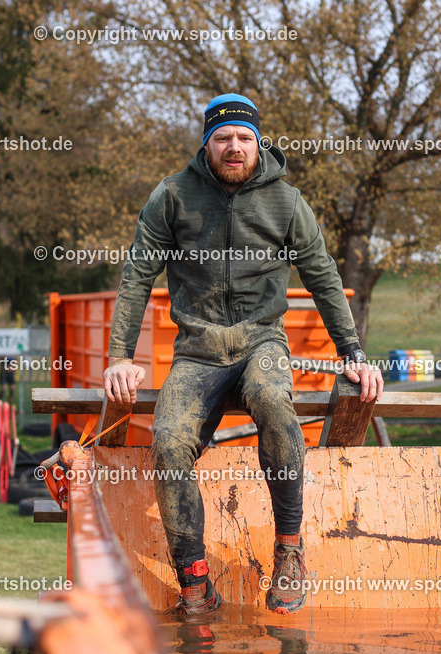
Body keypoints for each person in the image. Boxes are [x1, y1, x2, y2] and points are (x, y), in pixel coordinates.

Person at [103, 93, 383, 616]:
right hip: (198, 351)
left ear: (259, 142)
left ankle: (289, 552)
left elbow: (322, 274)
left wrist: (352, 351)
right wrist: (119, 354)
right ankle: (195, 581)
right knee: (168, 441)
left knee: (273, 399)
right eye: (223, 137)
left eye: (245, 138)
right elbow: (137, 277)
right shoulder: (171, 197)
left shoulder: (286, 202)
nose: (235, 147)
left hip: (262, 341)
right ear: (207, 142)